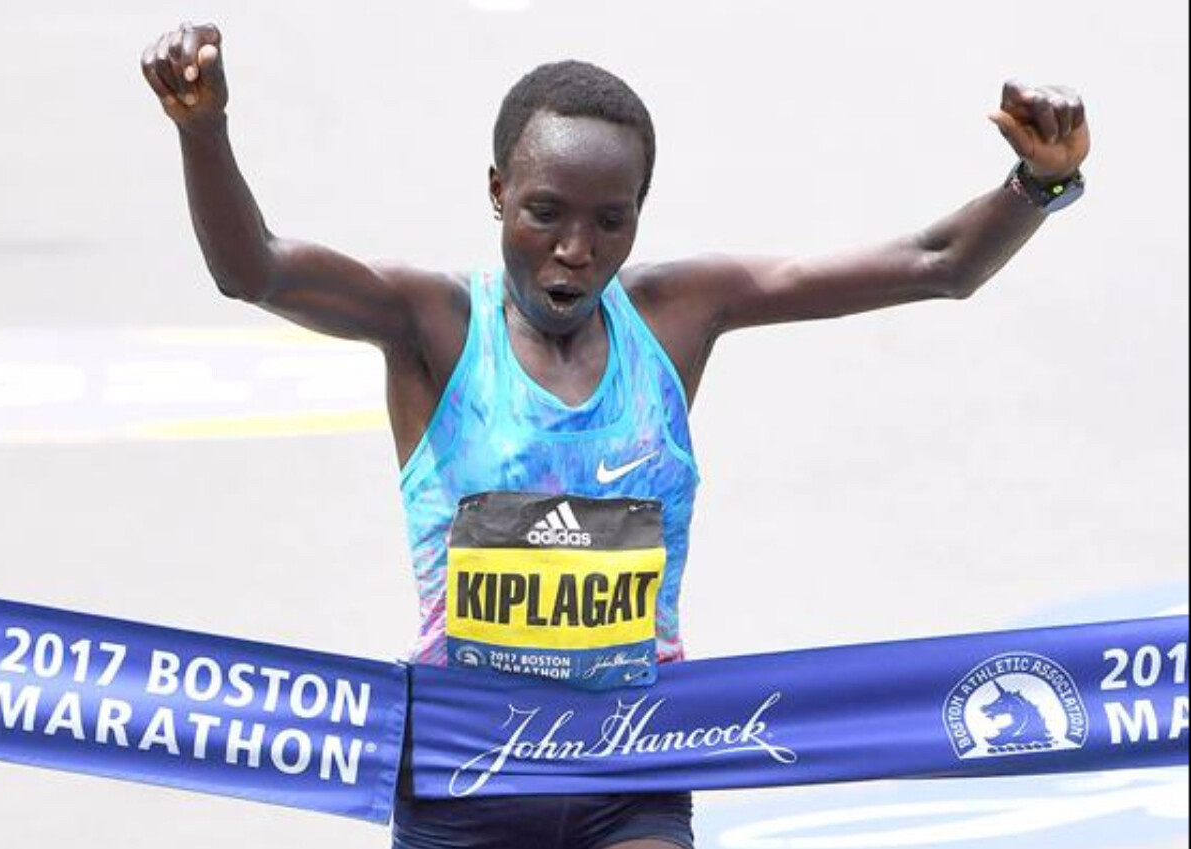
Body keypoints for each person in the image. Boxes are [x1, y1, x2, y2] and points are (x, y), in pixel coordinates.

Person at [141, 21, 1090, 849]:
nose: (575, 249)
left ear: (641, 212)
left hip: (635, 762)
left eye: (610, 220)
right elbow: (254, 269)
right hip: (465, 771)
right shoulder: (432, 326)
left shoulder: (678, 316)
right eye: (544, 213)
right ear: (498, 192)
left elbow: (938, 263)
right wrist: (202, 129)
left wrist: (1039, 183)